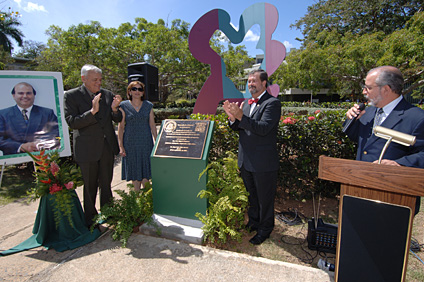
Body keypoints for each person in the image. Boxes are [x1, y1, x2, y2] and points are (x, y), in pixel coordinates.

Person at [345, 66, 424, 214]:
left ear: (386, 89)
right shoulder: (367, 112)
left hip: (395, 197)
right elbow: (359, 141)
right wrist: (352, 120)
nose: (364, 92)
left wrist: (399, 164)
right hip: (360, 191)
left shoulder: (417, 118)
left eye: (368, 87)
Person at [223, 69, 281, 245]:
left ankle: (265, 229)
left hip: (263, 163)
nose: (250, 84)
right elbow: (240, 127)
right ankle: (254, 222)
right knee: (252, 196)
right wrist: (233, 119)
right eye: (248, 82)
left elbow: (263, 128)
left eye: (254, 81)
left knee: (265, 199)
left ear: (264, 83)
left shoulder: (272, 103)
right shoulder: (246, 104)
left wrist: (241, 117)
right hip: (246, 160)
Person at [64, 64, 122, 227]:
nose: (99, 83)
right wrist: (92, 112)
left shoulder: (107, 95)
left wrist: (115, 109)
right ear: (84, 79)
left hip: (106, 147)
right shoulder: (71, 96)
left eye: (100, 79)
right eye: (95, 80)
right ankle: (90, 218)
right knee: (89, 187)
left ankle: (109, 212)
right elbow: (72, 122)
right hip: (87, 148)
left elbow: (116, 119)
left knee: (106, 183)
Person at [0, 82, 59, 155]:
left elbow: (57, 134)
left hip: (43, 157)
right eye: (21, 93)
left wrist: (42, 143)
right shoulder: (2, 115)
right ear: (13, 95)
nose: (25, 96)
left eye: (28, 93)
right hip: (14, 160)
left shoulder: (47, 113)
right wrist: (21, 146)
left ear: (34, 95)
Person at [118, 81, 157, 191]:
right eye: (134, 89)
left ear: (143, 92)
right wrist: (121, 146)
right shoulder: (123, 106)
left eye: (140, 89)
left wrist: (157, 142)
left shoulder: (148, 106)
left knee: (146, 172)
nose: (137, 91)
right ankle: (137, 200)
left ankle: (146, 200)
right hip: (130, 143)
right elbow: (121, 127)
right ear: (129, 91)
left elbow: (152, 125)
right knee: (135, 172)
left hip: (146, 142)